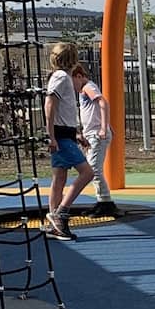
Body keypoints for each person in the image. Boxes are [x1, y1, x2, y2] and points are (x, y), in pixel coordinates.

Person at [43, 41, 94, 240]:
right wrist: (51, 136)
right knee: (87, 172)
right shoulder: (62, 77)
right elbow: (50, 105)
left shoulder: (60, 77)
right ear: (73, 60)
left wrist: (76, 135)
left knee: (59, 178)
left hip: (65, 134)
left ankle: (55, 224)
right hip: (60, 136)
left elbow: (64, 110)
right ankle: (61, 212)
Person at [71, 63, 120, 218]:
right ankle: (102, 200)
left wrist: (104, 127)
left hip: (97, 135)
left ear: (79, 76)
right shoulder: (84, 90)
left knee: (93, 170)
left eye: (73, 82)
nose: (72, 87)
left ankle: (106, 202)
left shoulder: (88, 87)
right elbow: (93, 112)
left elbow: (103, 102)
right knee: (93, 169)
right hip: (91, 134)